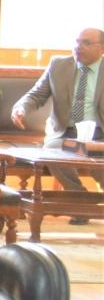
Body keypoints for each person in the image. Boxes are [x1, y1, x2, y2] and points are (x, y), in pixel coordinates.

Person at [12, 26, 104, 210]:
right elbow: (36, 95)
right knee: (53, 150)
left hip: (99, 137)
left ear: (101, 48)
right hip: (65, 136)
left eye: (86, 43)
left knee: (97, 158)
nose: (79, 46)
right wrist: (20, 108)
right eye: (77, 41)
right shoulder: (58, 65)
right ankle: (80, 200)